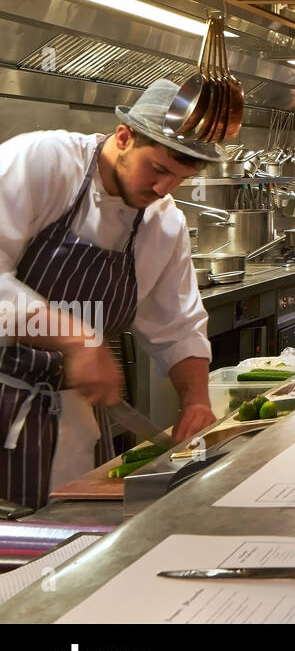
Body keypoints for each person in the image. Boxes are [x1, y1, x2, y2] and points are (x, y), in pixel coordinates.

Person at [0, 79, 220, 508]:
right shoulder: (41, 161)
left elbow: (177, 327)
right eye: (157, 169)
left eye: (179, 178)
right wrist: (76, 338)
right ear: (123, 137)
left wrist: (195, 399)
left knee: (73, 544)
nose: (163, 189)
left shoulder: (162, 222)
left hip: (76, 417)